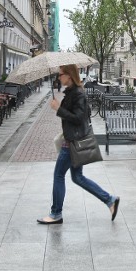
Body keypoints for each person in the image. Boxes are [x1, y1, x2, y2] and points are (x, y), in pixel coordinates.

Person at [38, 63, 120, 225]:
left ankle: (56, 213)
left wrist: (58, 109)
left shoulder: (78, 94)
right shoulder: (72, 92)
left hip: (72, 143)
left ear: (69, 75)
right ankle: (110, 200)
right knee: (77, 177)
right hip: (72, 140)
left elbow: (79, 118)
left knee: (59, 176)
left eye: (61, 74)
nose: (59, 77)